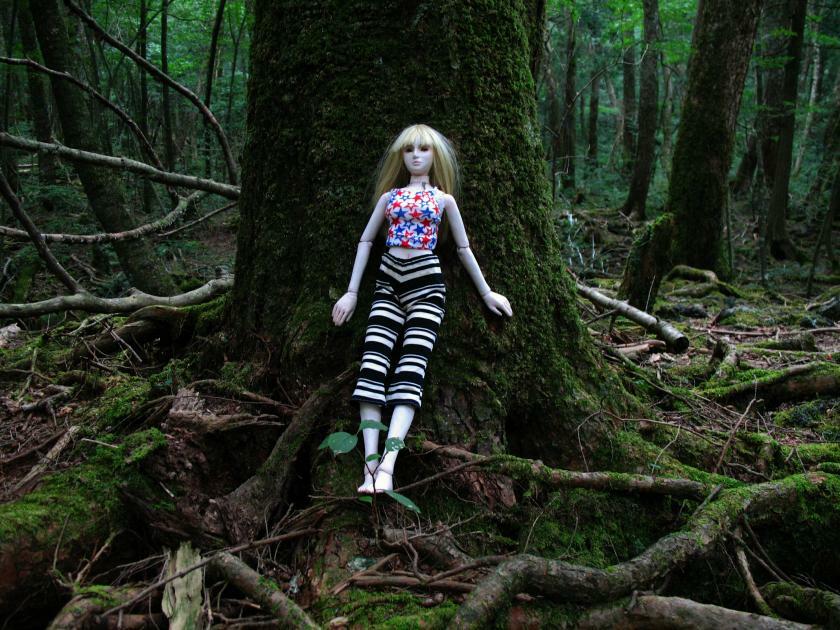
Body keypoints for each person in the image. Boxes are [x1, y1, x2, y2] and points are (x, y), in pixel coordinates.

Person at [331, 124, 513, 494]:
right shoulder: (390, 197)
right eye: (409, 149)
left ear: (435, 155)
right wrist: (351, 292)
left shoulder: (444, 200)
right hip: (387, 284)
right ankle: (369, 465)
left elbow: (462, 249)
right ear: (401, 156)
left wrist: (486, 292)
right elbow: (366, 241)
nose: (416, 155)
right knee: (372, 367)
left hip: (426, 287)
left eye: (424, 149)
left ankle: (388, 465)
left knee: (410, 371)